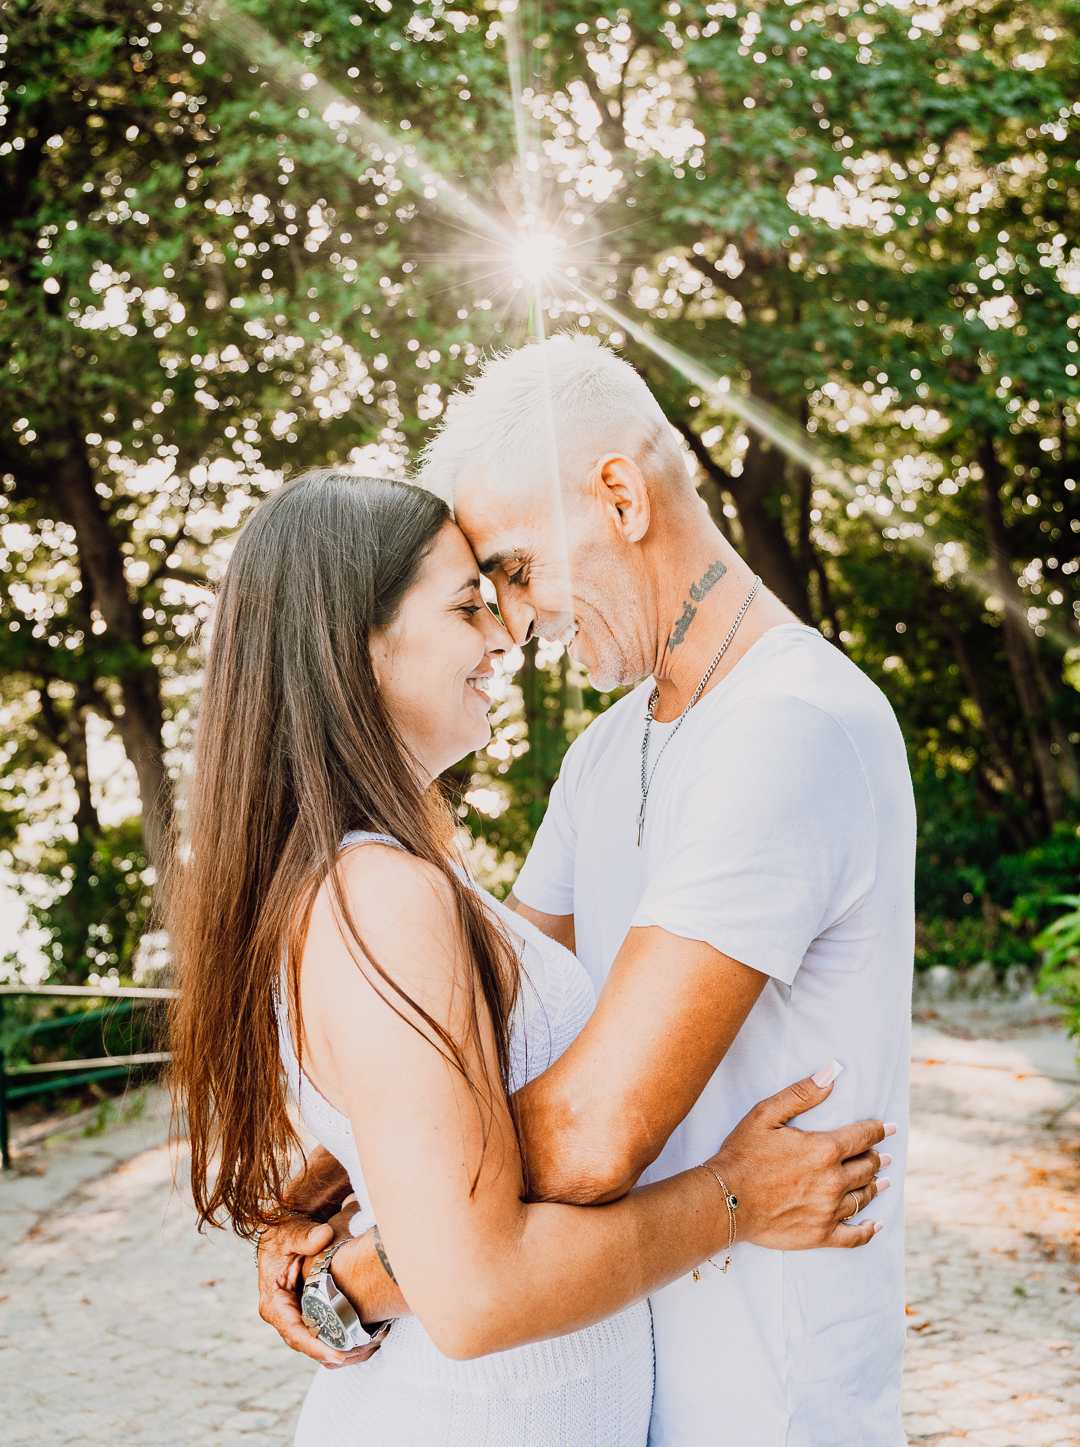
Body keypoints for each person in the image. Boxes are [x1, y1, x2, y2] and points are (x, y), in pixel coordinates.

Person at [257, 336, 914, 1446]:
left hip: (764, 1396)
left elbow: (588, 1129)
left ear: (620, 496)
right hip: (622, 1374)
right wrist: (326, 1189)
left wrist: (361, 1268)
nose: (515, 623)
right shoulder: (606, 753)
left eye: (516, 570)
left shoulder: (790, 727)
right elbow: (481, 1041)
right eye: (485, 593)